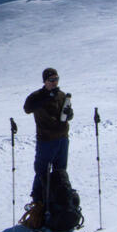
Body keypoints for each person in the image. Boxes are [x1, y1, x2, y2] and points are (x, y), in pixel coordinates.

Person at [23, 67, 73, 206]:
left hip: (62, 138)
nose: (54, 82)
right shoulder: (37, 96)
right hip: (46, 140)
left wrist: (69, 114)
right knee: (42, 172)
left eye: (56, 79)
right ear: (45, 81)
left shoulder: (62, 95)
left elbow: (70, 114)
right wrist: (45, 98)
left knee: (60, 171)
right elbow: (27, 108)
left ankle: (57, 199)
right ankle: (38, 201)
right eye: (51, 80)